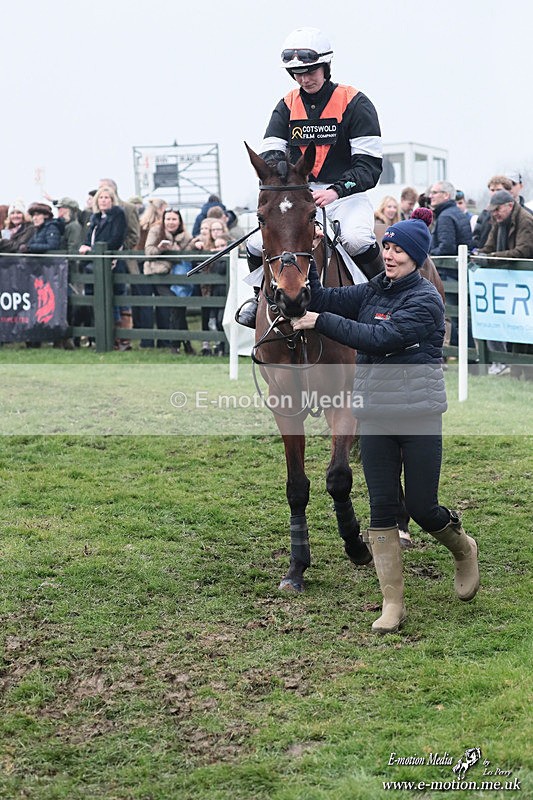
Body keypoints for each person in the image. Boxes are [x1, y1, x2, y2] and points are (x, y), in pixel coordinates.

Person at [291, 209, 479, 633]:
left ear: (416, 257)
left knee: (421, 506)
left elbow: (379, 338)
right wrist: (314, 264)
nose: (389, 255)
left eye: (398, 249)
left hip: (418, 417)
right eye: (387, 247)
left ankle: (463, 548)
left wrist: (321, 322)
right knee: (381, 509)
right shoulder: (375, 289)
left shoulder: (425, 301)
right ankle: (392, 603)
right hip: (374, 413)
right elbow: (330, 298)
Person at [237, 26, 383, 328]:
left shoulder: (355, 102)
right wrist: (286, 182)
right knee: (254, 245)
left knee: (356, 239)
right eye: (297, 73)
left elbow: (369, 165)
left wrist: (336, 191)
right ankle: (257, 298)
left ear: (325, 66)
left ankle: (386, 299)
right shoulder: (287, 105)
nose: (305, 78)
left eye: (310, 70)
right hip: (299, 196)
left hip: (345, 197)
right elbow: (271, 154)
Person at [79, 186, 129, 349]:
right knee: (98, 298)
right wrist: (86, 247)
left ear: (112, 200)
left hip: (112, 261)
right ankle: (103, 336)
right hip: (95, 264)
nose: (103, 200)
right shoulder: (95, 218)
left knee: (117, 297)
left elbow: (116, 238)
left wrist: (92, 250)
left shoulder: (118, 214)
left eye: (107, 197)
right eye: (101, 198)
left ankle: (121, 338)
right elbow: (88, 238)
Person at [144, 207, 194, 354]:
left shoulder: (185, 236)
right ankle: (179, 344)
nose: (171, 222)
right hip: (158, 274)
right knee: (175, 304)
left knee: (179, 308)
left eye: (174, 219)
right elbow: (148, 252)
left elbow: (186, 254)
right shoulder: (155, 231)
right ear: (163, 220)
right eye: (168, 219)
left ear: (179, 221)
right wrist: (160, 248)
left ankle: (181, 344)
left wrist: (192, 245)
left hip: (176, 276)